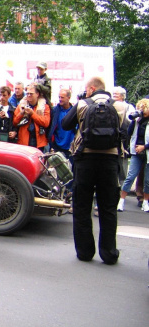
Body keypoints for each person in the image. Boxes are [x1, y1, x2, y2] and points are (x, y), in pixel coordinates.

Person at [62, 76, 126, 264]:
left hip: (85, 159)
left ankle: (85, 252)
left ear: (91, 89)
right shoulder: (119, 106)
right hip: (110, 161)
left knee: (82, 206)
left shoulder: (82, 104)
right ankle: (108, 253)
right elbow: (125, 131)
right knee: (108, 208)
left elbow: (66, 124)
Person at [117, 98, 149, 212]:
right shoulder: (138, 121)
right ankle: (121, 201)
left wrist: (144, 147)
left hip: (147, 152)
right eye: (140, 108)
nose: (141, 111)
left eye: (144, 109)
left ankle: (145, 202)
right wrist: (134, 121)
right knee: (130, 176)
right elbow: (129, 133)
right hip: (136, 152)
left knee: (147, 180)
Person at [13, 83, 51, 151]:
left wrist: (32, 114)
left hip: (38, 142)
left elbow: (46, 123)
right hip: (24, 141)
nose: (29, 95)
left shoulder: (44, 107)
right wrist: (21, 114)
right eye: (27, 93)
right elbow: (15, 122)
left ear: (37, 94)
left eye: (31, 93)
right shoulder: (21, 105)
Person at [48, 88, 75, 159]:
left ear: (68, 98)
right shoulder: (54, 111)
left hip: (70, 147)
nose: (60, 99)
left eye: (62, 97)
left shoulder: (74, 112)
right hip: (57, 146)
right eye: (59, 97)